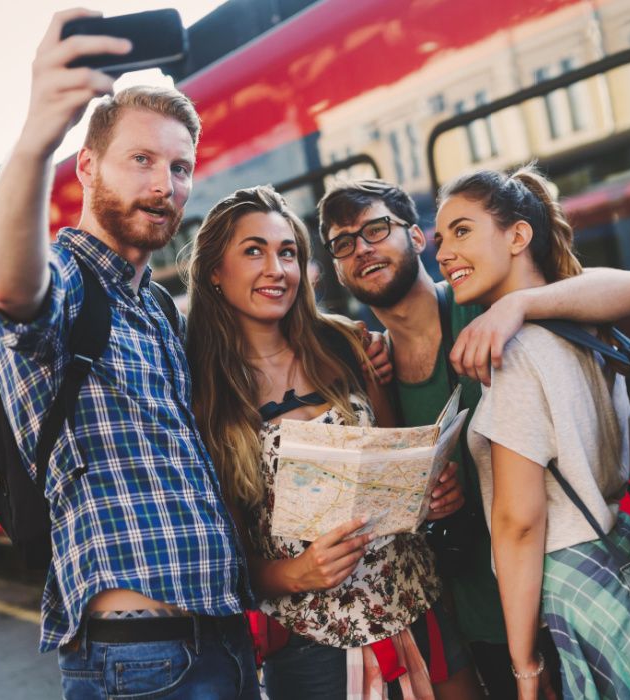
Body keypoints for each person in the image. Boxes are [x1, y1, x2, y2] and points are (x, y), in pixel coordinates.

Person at [0, 10, 258, 698]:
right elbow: (12, 288)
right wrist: (37, 135)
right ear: (87, 167)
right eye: (142, 160)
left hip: (223, 638)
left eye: (181, 167)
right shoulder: (68, 284)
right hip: (140, 661)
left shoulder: (158, 308)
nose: (166, 185)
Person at [317, 179, 630, 697]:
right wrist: (425, 498)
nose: (362, 248)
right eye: (343, 242)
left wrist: (515, 307)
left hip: (556, 601)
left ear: (416, 238)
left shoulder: (483, 300)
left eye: (376, 229)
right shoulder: (371, 367)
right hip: (472, 614)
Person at [185, 185, 480, 699]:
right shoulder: (205, 396)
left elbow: (396, 458)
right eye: (253, 251)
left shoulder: (345, 344)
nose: (276, 268)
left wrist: (432, 493)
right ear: (215, 270)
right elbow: (225, 561)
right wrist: (296, 573)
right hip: (312, 647)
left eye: (288, 252)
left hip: (415, 603)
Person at [437, 166, 630, 699]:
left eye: (462, 230)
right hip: (617, 554)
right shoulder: (585, 327)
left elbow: (520, 523)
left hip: (570, 577)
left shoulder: (517, 355)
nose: (443, 252)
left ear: (518, 236)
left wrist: (524, 665)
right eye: (439, 238)